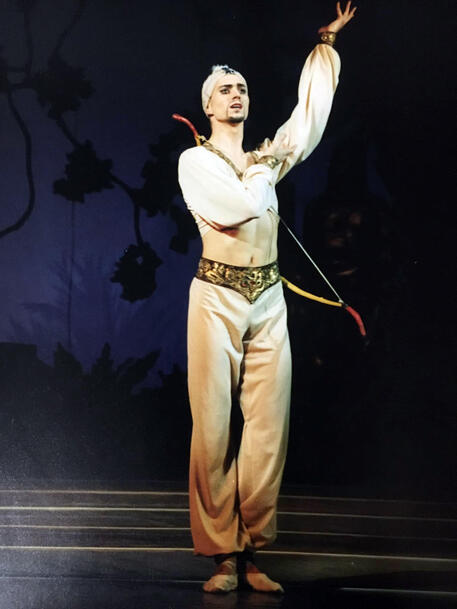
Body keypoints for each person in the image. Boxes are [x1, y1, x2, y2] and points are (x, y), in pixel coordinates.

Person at [177, 1, 357, 594]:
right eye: (225, 90)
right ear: (209, 105)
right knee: (213, 430)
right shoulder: (196, 161)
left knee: (267, 429)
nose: (236, 95)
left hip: (268, 299)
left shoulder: (265, 158)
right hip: (216, 299)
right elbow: (240, 206)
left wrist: (325, 45)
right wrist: (264, 165)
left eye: (242, 89)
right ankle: (221, 556)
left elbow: (307, 120)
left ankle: (252, 550)